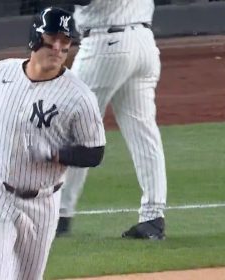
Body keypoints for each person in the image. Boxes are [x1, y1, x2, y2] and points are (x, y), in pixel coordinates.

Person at [0, 7, 106, 279]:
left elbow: (95, 152)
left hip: (44, 202)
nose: (58, 47)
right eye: (53, 37)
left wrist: (57, 154)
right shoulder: (3, 72)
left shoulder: (79, 97)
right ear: (35, 37)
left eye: (66, 41)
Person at [56, 0, 168, 240]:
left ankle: (59, 214)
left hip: (106, 45)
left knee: (72, 125)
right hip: (144, 43)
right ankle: (153, 217)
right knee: (144, 132)